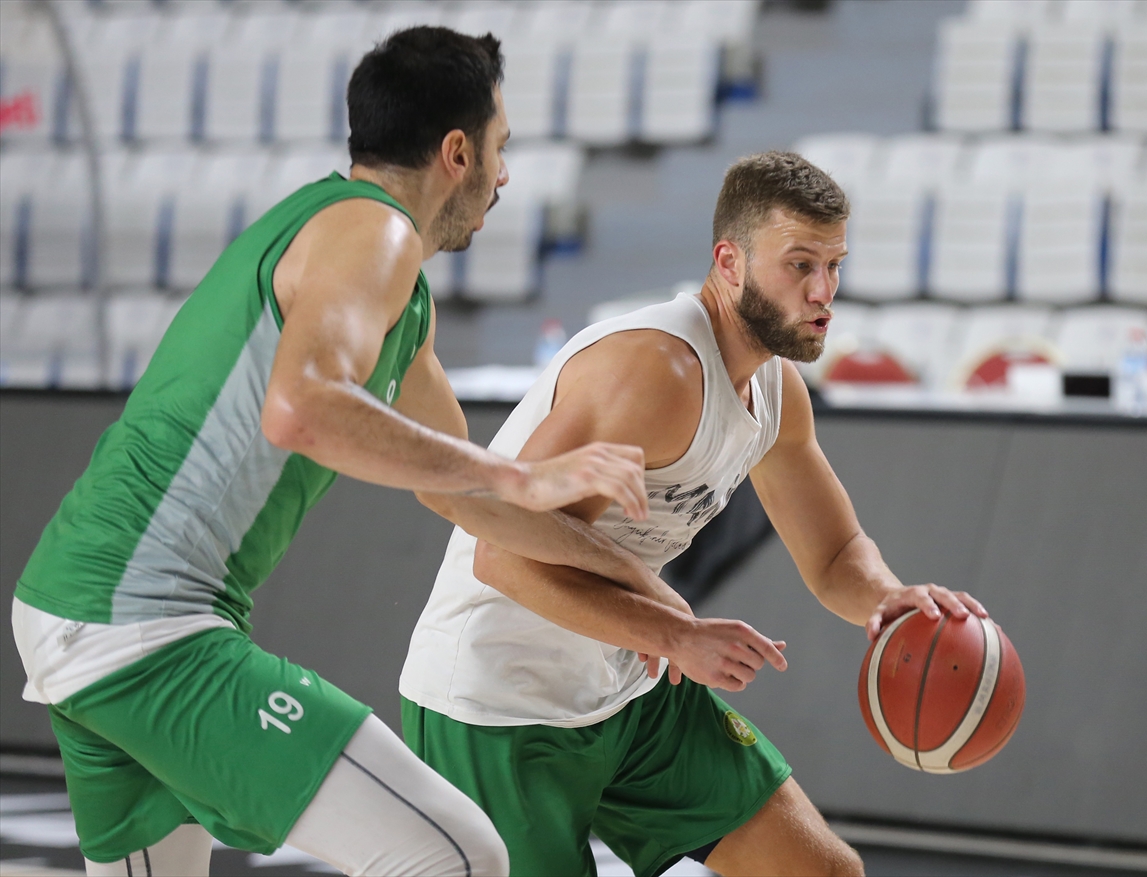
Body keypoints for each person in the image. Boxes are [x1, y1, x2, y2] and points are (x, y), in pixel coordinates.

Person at [8, 26, 689, 877]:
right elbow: (304, 410)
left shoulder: (373, 269)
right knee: (460, 853)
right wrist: (515, 468)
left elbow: (463, 497)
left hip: (77, 606)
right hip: (141, 618)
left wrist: (642, 588)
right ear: (456, 151)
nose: (505, 174)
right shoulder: (374, 233)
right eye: (500, 148)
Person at [399, 151, 990, 877]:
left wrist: (890, 598)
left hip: (627, 687)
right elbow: (503, 553)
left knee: (823, 871)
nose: (823, 291)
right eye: (800, 265)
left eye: (834, 266)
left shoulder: (776, 389)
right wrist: (673, 629)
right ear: (729, 262)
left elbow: (837, 556)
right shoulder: (657, 370)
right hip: (497, 701)